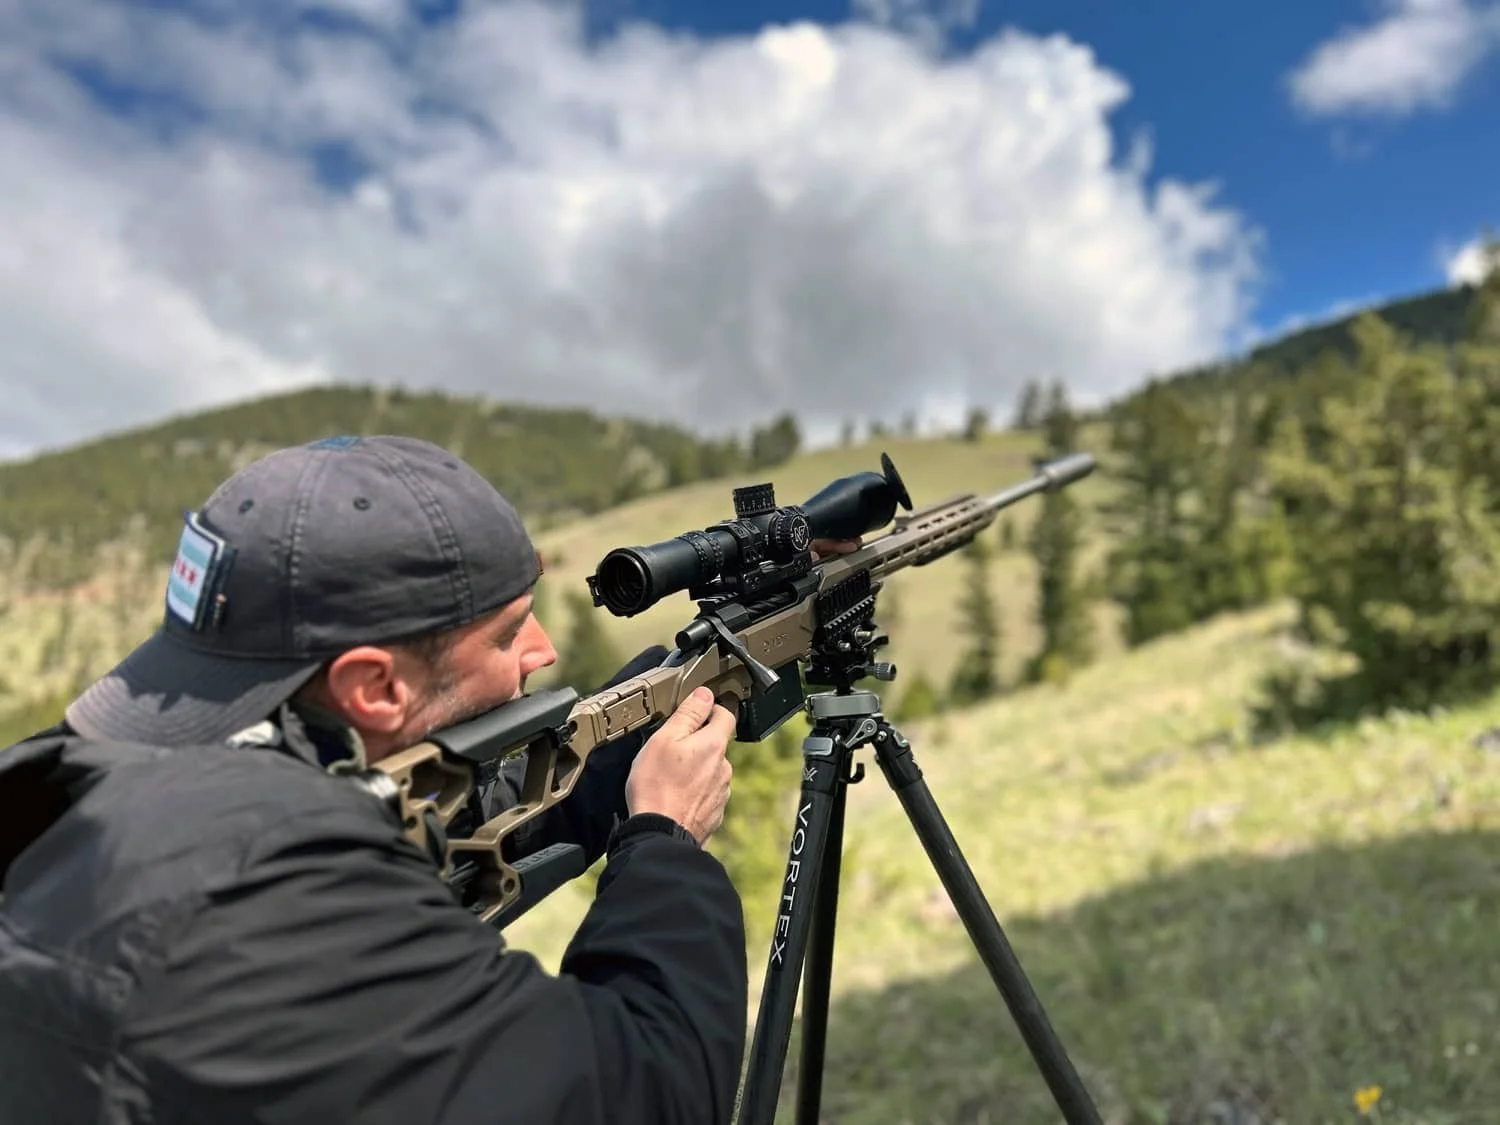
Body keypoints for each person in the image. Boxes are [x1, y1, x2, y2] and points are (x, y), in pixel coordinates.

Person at [0, 433, 860, 1125]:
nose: (543, 653)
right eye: (508, 634)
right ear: (374, 686)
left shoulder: (86, 793)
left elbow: (464, 814)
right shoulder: (273, 914)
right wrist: (663, 843)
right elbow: (648, 1090)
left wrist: (660, 691)